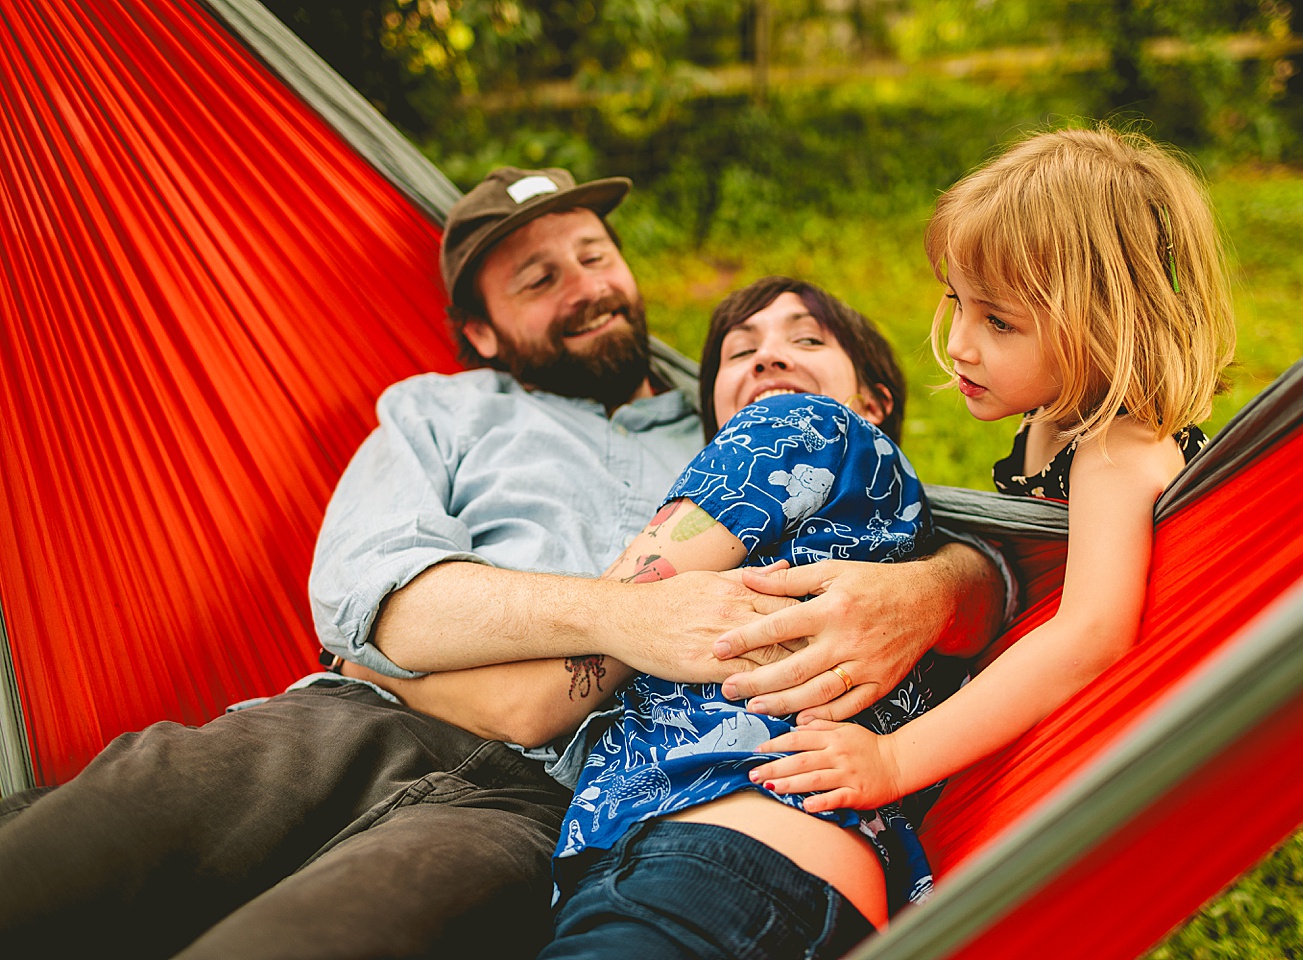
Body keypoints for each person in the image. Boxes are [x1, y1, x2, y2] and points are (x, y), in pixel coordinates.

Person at [0, 167, 1007, 960]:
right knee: (61, 861)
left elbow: (945, 540)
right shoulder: (437, 412)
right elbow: (381, 602)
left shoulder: (736, 419)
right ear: (482, 333)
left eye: (594, 256)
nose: (586, 287)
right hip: (346, 724)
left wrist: (939, 585)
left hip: (546, 810)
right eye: (540, 277)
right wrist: (619, 621)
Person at [744, 126, 1235, 862]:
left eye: (998, 320)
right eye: (959, 303)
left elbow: (1089, 639)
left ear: (1105, 327)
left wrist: (896, 762)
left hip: (1087, 748)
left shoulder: (1117, 447)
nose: (962, 343)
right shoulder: (1061, 412)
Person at [538, 277, 957, 960]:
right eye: (741, 351)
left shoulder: (795, 426)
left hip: (711, 862)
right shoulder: (893, 533)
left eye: (807, 338)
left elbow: (562, 668)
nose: (768, 357)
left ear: (874, 402)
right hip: (799, 880)